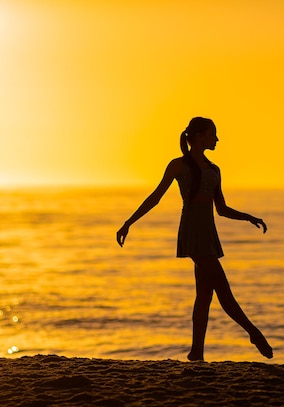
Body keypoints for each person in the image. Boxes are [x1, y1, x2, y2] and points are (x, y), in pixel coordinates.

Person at [116, 116, 273, 361]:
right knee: (222, 288)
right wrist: (128, 223)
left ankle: (196, 352)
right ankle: (253, 333)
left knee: (204, 294)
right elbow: (155, 197)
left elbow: (221, 209)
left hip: (208, 232)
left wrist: (248, 217)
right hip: (192, 231)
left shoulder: (214, 170)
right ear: (198, 137)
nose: (217, 139)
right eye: (213, 134)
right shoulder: (178, 165)